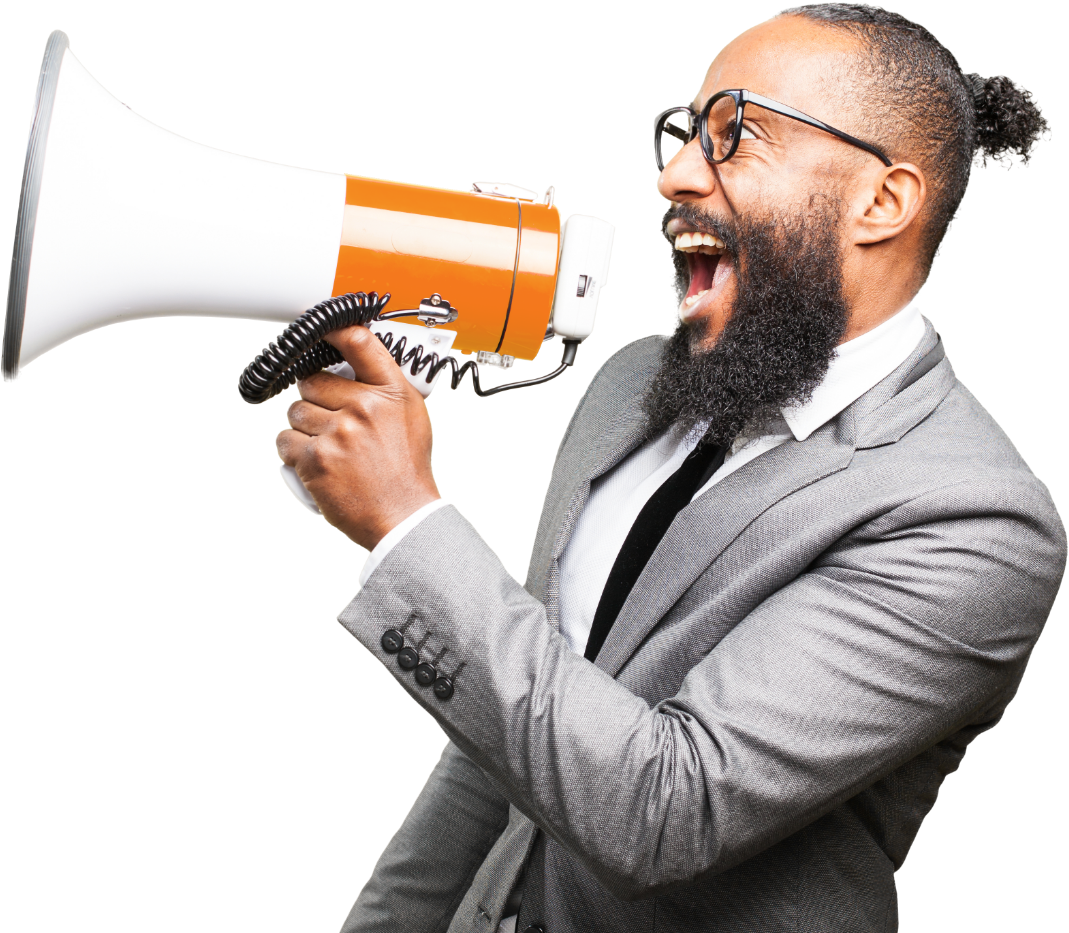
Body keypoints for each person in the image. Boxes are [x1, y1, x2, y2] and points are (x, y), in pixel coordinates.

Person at [274, 4, 1063, 931]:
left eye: (736, 135)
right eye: (684, 131)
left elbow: (665, 811)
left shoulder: (973, 519)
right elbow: (511, 712)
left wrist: (405, 524)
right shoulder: (633, 381)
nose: (675, 173)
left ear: (881, 202)